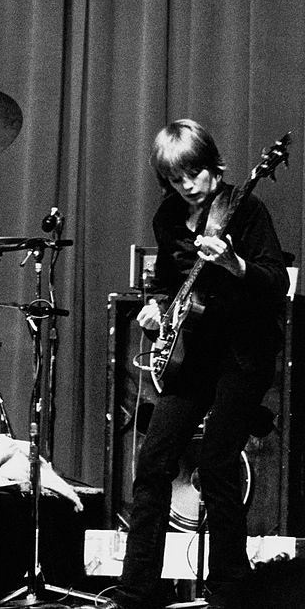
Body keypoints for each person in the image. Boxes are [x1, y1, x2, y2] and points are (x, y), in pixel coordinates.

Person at [93, 120, 287, 609]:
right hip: (192, 354)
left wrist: (234, 265)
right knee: (154, 461)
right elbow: (166, 281)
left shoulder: (245, 208)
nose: (187, 186)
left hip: (244, 352)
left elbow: (275, 282)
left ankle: (229, 590)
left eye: (194, 174)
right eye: (175, 178)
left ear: (212, 165)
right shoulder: (168, 216)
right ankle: (137, 591)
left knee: (218, 462)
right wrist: (155, 308)